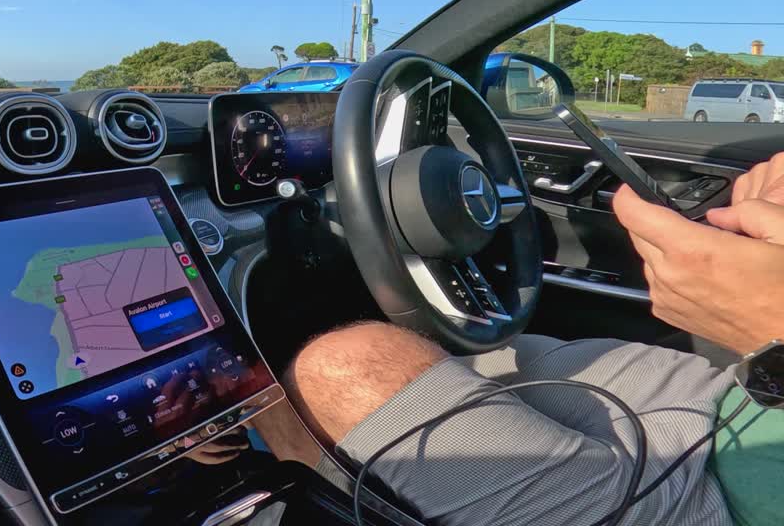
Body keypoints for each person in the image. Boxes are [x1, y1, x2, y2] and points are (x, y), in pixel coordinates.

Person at [286, 155, 784, 526]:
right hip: (741, 409)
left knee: (337, 371)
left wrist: (770, 322)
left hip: (721, 505)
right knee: (480, 359)